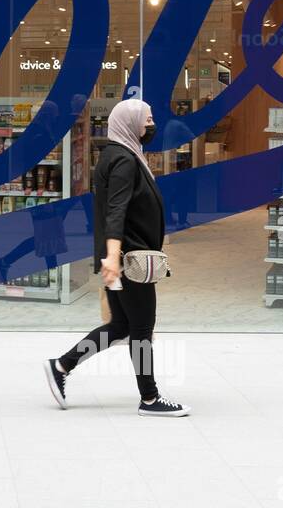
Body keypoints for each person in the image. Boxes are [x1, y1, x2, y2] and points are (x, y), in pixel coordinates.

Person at [43, 98, 190, 417]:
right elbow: (116, 210)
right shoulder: (123, 159)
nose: (151, 126)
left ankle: (62, 365)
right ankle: (149, 398)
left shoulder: (119, 154)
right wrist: (113, 256)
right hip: (128, 259)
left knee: (122, 324)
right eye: (146, 120)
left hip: (123, 255)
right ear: (130, 124)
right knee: (142, 328)